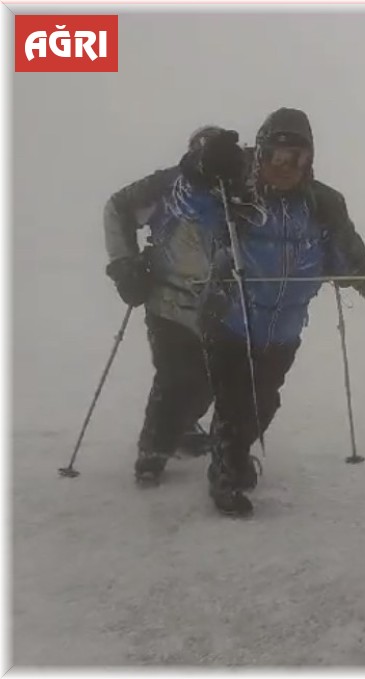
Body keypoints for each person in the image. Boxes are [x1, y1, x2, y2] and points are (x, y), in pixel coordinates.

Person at [154, 107, 365, 516]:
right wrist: (200, 169)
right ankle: (225, 474)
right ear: (260, 154)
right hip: (229, 320)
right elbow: (189, 205)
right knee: (234, 403)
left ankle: (233, 455)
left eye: (298, 159)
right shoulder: (232, 193)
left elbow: (353, 264)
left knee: (264, 403)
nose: (287, 167)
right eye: (277, 157)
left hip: (284, 330)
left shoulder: (323, 204)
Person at [104, 125, 228, 484]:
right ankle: (152, 451)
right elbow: (117, 207)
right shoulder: (166, 186)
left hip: (217, 306)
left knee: (208, 379)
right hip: (166, 300)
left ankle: (183, 426)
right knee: (176, 376)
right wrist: (124, 263)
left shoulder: (236, 190)